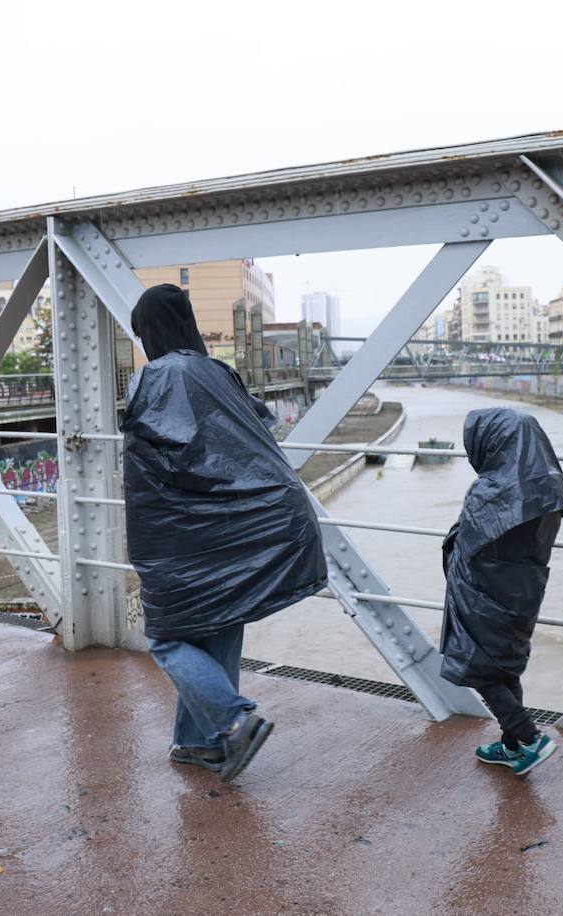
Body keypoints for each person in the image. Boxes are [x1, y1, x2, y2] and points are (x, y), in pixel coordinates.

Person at [123, 284, 327, 782]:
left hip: (192, 532)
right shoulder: (218, 371)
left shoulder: (156, 376)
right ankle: (199, 742)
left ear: (151, 331)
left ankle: (235, 722)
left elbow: (159, 458)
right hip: (254, 516)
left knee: (168, 637)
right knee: (218, 624)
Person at [440, 408, 563, 776]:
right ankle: (511, 745)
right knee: (506, 663)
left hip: (485, 594)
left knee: (480, 666)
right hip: (525, 591)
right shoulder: (549, 488)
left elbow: (465, 545)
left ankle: (530, 738)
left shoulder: (491, 492)